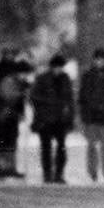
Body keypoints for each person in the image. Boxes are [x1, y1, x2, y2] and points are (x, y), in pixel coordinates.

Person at [29, 54, 76, 184]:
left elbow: (70, 99)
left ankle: (59, 174)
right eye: (56, 67)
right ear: (52, 67)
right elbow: (33, 97)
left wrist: (70, 117)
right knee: (46, 148)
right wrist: (47, 104)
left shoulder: (66, 79)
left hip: (61, 119)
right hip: (45, 119)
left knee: (61, 147)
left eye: (60, 67)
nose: (58, 69)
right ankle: (47, 173)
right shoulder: (42, 78)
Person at [0, 48, 30, 179]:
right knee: (0, 140)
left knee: (12, 140)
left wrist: (21, 111)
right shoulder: (6, 78)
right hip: (0, 113)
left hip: (12, 114)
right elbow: (5, 96)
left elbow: (20, 99)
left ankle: (10, 167)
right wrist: (20, 93)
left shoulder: (19, 80)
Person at [79, 48, 104, 182]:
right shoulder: (87, 76)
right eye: (98, 59)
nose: (100, 62)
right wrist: (84, 113)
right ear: (94, 60)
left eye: (102, 60)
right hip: (91, 115)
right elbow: (83, 96)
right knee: (92, 145)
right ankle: (92, 172)